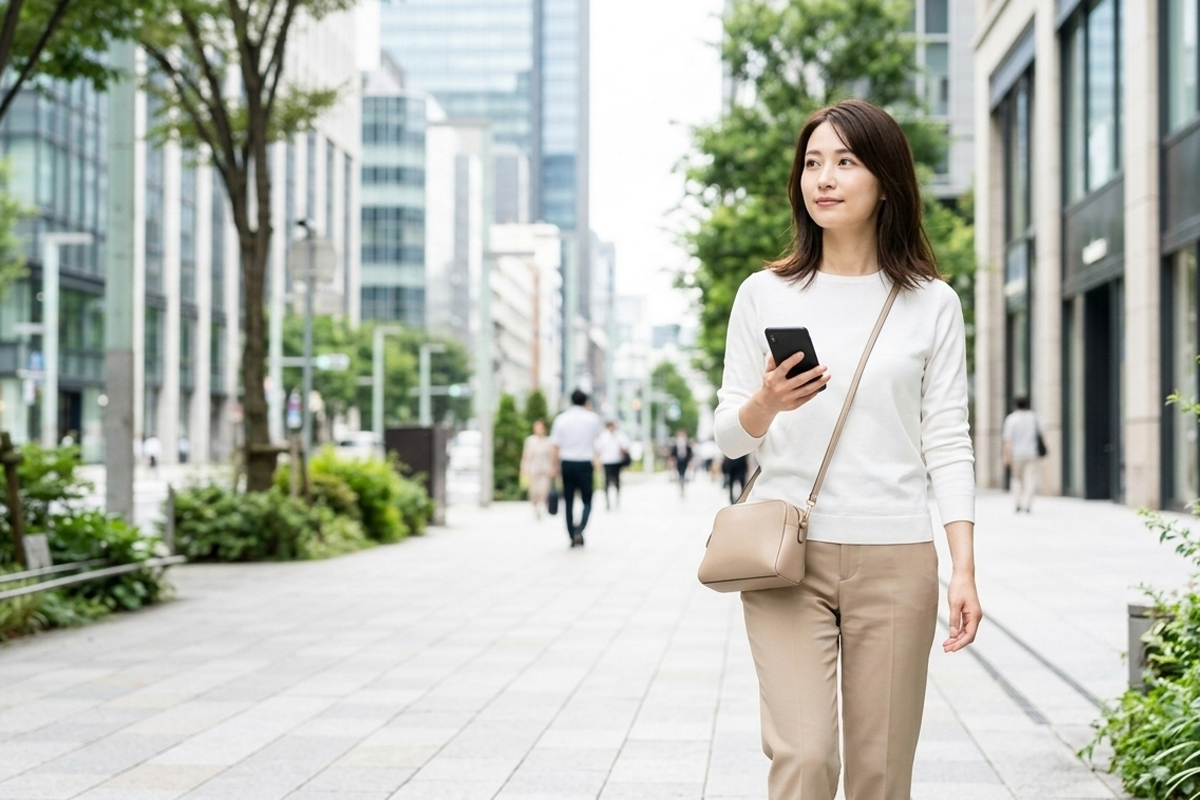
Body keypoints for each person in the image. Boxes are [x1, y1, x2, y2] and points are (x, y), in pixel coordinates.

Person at [714, 99, 981, 800]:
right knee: (805, 760)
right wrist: (765, 403)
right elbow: (729, 437)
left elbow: (947, 437)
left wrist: (963, 567)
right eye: (811, 163)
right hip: (785, 555)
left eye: (846, 161)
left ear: (886, 181)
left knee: (880, 774)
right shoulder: (764, 293)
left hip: (897, 556)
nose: (823, 178)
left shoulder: (931, 303)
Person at [549, 389, 604, 547]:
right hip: (586, 463)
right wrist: (598, 460)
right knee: (587, 500)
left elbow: (555, 446)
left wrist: (554, 466)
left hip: (567, 463)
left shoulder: (561, 419)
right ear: (585, 401)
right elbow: (598, 442)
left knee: (568, 500)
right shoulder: (592, 419)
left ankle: (571, 535)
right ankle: (580, 528)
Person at [1002, 396, 1044, 513]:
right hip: (1032, 453)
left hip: (1016, 454)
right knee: (1030, 479)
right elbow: (1041, 433)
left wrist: (1006, 456)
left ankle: (1017, 503)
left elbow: (1008, 440)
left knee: (1016, 479)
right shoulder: (1034, 417)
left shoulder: (1011, 419)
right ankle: (1027, 504)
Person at [520, 419, 556, 519]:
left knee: (543, 489)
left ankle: (541, 506)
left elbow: (552, 456)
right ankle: (535, 506)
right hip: (533, 469)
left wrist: (553, 467)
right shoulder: (530, 441)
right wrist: (524, 468)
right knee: (534, 490)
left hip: (545, 469)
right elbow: (526, 456)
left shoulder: (548, 441)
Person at [595, 420, 631, 510]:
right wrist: (597, 462)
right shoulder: (603, 436)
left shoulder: (620, 435)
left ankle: (617, 500)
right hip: (607, 461)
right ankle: (607, 502)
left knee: (617, 481)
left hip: (617, 461)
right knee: (607, 481)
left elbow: (626, 446)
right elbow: (598, 449)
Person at [668, 429, 693, 497]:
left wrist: (690, 462)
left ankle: (683, 485)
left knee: (684, 474)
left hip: (685, 461)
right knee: (680, 474)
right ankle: (681, 485)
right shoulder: (675, 446)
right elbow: (672, 454)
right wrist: (672, 462)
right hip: (678, 462)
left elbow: (690, 454)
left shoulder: (687, 446)